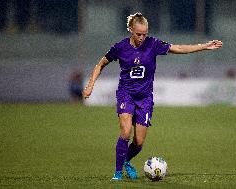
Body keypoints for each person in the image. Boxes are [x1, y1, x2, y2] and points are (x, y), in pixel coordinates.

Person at [82, 12, 223, 181]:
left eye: (144, 34)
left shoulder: (153, 44)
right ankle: (117, 173)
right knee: (125, 132)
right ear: (131, 30)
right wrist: (90, 85)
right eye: (138, 34)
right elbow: (101, 64)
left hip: (145, 98)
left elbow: (177, 48)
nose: (142, 37)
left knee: (139, 142)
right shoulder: (120, 47)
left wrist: (204, 46)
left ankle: (126, 160)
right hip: (126, 94)